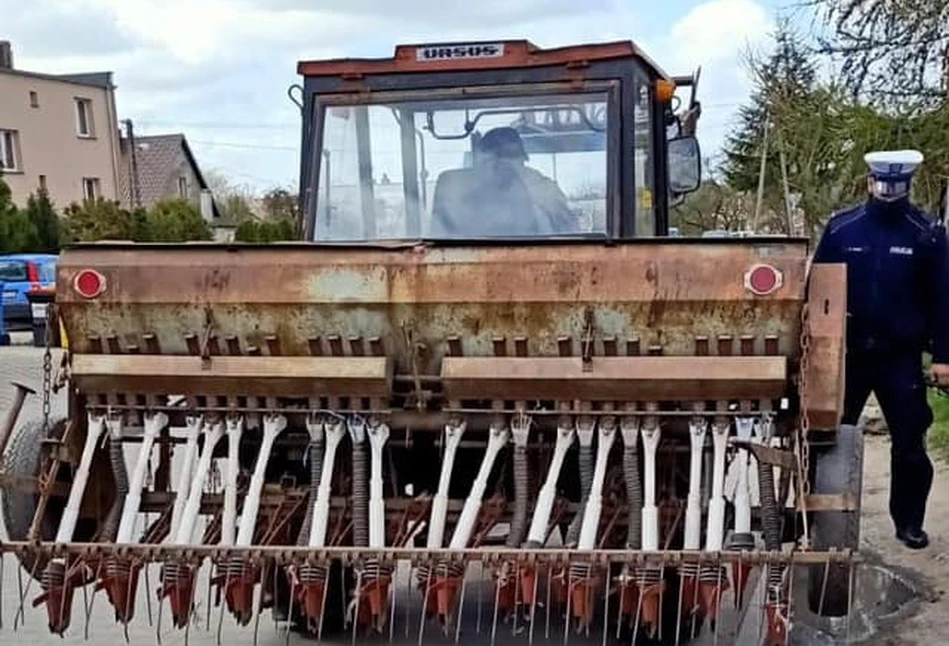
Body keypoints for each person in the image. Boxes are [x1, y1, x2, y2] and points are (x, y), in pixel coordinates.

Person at [812, 149, 949, 549]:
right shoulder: (843, 230)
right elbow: (817, 293)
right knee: (828, 437)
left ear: (906, 186)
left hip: (899, 356)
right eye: (882, 184)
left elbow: (943, 300)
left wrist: (943, 357)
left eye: (897, 186)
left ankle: (908, 522)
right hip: (847, 355)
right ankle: (818, 518)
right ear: (869, 183)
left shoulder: (926, 234)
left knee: (910, 443)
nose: (889, 192)